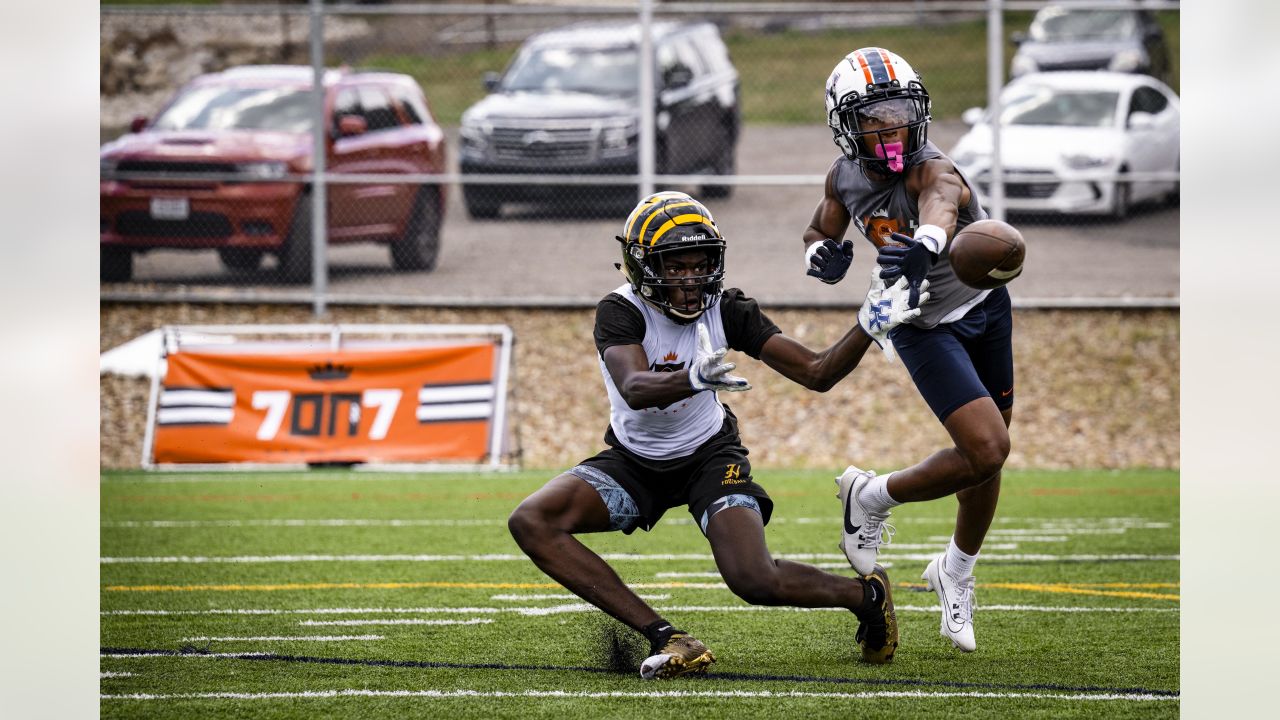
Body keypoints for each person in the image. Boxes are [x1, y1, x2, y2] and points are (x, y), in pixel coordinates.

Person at [508, 190, 927, 678]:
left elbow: (816, 372)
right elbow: (635, 386)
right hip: (634, 461)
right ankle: (668, 636)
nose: (691, 280)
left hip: (709, 454)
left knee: (753, 579)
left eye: (699, 265)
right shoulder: (620, 311)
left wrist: (866, 326)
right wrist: (692, 378)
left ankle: (866, 595)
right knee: (531, 521)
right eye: (675, 267)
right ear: (644, 268)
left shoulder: (727, 310)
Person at [802, 47, 1016, 653]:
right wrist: (821, 252)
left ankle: (955, 572)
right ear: (847, 124)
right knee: (989, 445)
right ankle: (872, 496)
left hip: (984, 310)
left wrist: (926, 243)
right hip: (918, 321)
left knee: (988, 455)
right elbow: (822, 226)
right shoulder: (844, 176)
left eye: (900, 112)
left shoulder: (933, 167)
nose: (892, 126)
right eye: (875, 115)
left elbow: (941, 202)